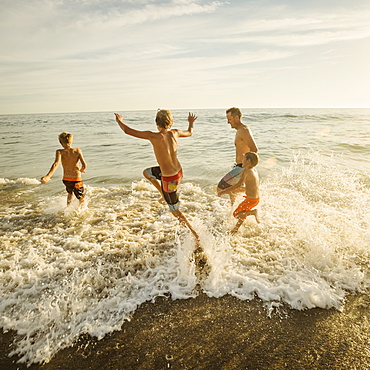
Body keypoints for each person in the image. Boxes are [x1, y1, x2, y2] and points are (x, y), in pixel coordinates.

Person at [114, 110, 199, 243]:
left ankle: (195, 235)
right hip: (178, 173)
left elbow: (128, 131)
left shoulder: (152, 136)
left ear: (156, 122)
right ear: (170, 122)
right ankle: (162, 194)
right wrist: (190, 123)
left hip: (169, 179)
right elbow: (190, 132)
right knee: (147, 173)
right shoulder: (175, 132)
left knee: (175, 211)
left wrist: (119, 121)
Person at [217, 107, 258, 204]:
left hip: (242, 167)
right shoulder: (240, 130)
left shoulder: (244, 130)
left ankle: (251, 188)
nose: (228, 122)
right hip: (240, 166)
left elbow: (254, 149)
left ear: (236, 117)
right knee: (233, 194)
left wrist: (246, 169)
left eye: (229, 119)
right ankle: (233, 214)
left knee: (221, 188)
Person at [41, 132, 87, 206]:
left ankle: (68, 207)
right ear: (72, 141)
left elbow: (56, 164)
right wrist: (82, 169)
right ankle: (83, 210)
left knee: (70, 193)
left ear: (60, 142)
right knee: (81, 197)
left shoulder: (59, 152)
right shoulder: (77, 150)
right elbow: (84, 164)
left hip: (66, 178)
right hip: (76, 178)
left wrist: (48, 176)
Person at [218, 152, 260, 233]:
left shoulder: (246, 172)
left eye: (243, 159)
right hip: (255, 198)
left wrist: (224, 191)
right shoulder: (254, 170)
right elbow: (253, 184)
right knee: (242, 212)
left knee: (236, 214)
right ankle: (236, 229)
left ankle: (253, 212)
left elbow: (237, 185)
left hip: (251, 200)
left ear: (248, 161)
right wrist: (245, 189)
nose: (242, 161)